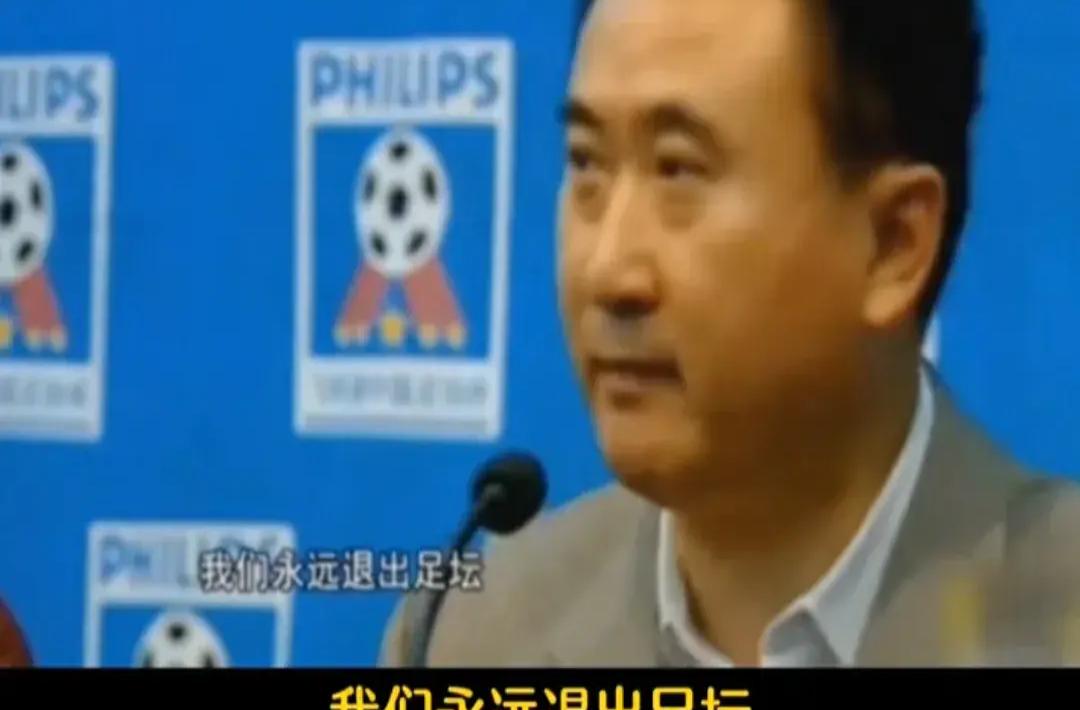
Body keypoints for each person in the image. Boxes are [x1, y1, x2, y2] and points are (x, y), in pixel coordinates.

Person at [379, 0, 1080, 666]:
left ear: (893, 242)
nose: (607, 269)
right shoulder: (468, 635)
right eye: (587, 163)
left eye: (678, 170)